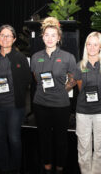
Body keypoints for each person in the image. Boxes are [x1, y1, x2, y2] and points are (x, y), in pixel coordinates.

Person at [30, 17, 77, 174]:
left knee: (60, 140)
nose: (50, 38)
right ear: (42, 37)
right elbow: (37, 79)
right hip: (40, 104)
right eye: (47, 35)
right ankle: (47, 166)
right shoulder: (36, 57)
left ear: (58, 38)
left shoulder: (67, 57)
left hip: (60, 105)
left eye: (53, 35)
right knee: (44, 138)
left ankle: (60, 168)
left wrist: (62, 89)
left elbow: (73, 79)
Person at [0, 24, 31, 174]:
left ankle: (15, 169)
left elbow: (27, 80)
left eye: (8, 36)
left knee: (14, 139)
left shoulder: (20, 58)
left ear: (13, 39)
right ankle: (4, 168)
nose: (5, 38)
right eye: (2, 35)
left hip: (15, 106)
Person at [74, 32, 101, 174]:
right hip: (83, 112)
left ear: (100, 47)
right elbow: (80, 88)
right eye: (89, 44)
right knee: (83, 147)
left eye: (95, 44)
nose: (91, 47)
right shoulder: (79, 66)